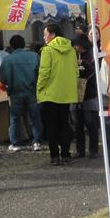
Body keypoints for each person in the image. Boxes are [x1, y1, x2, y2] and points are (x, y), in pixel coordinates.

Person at [36, 23, 79, 165]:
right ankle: (66, 154)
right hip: (66, 93)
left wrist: (39, 88)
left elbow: (44, 72)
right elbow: (75, 70)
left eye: (45, 34)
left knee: (51, 126)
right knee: (64, 124)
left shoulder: (47, 50)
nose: (44, 37)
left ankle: (54, 156)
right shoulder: (71, 49)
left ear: (53, 34)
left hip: (50, 93)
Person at [0, 35, 42, 152]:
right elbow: (41, 74)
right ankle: (36, 142)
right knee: (35, 118)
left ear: (11, 46)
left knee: (15, 118)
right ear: (23, 44)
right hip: (33, 92)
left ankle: (15, 143)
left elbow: (3, 79)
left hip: (15, 93)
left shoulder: (8, 60)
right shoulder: (34, 56)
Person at [71, 36, 99, 159]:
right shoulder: (71, 56)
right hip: (74, 95)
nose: (74, 47)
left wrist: (84, 64)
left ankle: (93, 149)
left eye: (75, 45)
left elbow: (94, 71)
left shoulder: (91, 56)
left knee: (91, 123)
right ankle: (80, 150)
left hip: (89, 94)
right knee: (78, 125)